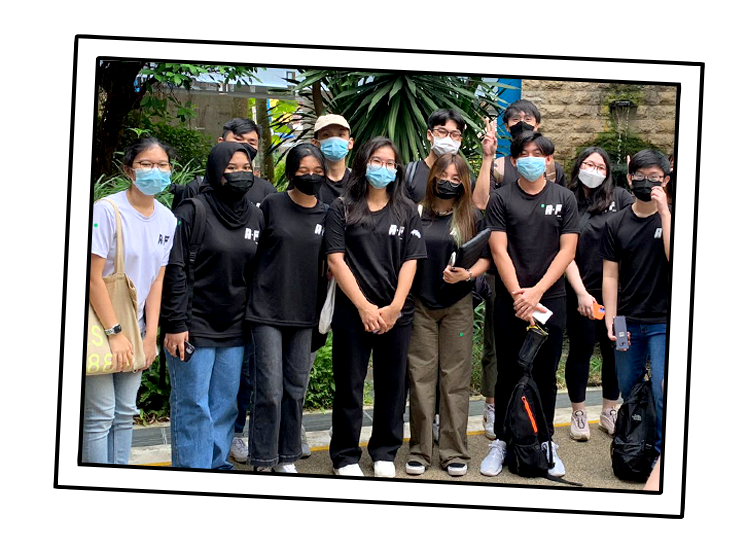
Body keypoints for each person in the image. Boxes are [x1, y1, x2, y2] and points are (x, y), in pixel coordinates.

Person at [325, 136, 427, 478]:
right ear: (364, 162)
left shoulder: (407, 209)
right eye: (377, 161)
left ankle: (384, 451)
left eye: (389, 163)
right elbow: (336, 262)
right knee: (350, 385)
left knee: (392, 384)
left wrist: (395, 306)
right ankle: (344, 455)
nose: (383, 168)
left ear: (397, 169)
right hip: (353, 313)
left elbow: (412, 260)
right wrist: (365, 307)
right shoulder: (342, 207)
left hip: (396, 314)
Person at [480, 131, 579, 478]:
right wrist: (520, 294)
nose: (532, 159)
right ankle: (503, 441)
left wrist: (536, 291)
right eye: (525, 153)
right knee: (507, 371)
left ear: (549, 160)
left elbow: (567, 251)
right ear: (515, 160)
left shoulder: (565, 198)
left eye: (539, 153)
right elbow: (498, 249)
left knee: (545, 374)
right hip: (511, 301)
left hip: (550, 300)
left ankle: (545, 440)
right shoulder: (501, 198)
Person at [161, 141, 265, 470]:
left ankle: (217, 465)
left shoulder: (256, 216)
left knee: (225, 406)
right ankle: (193, 471)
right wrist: (176, 324)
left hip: (234, 329)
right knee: (193, 405)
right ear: (216, 170)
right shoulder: (193, 211)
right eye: (231, 168)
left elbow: (257, 272)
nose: (239, 174)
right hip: (193, 327)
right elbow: (175, 270)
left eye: (246, 168)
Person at [85, 137, 177, 464]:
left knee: (125, 413)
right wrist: (115, 333)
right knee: (99, 416)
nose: (155, 171)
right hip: (100, 326)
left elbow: (157, 280)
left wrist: (150, 335)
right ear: (129, 170)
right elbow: (92, 277)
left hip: (136, 327)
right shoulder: (106, 211)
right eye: (146, 164)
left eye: (162, 165)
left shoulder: (168, 219)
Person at [244, 144, 330, 473]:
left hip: (306, 313)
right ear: (291, 172)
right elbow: (250, 253)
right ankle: (263, 458)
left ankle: (287, 456)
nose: (311, 176)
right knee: (269, 389)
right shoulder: (271, 205)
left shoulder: (327, 212)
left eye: (317, 171)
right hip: (266, 310)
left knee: (295, 389)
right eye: (304, 170)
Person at [405, 153, 491, 477]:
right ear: (432, 176)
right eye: (444, 175)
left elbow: (486, 258)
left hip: (457, 307)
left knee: (454, 379)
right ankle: (420, 450)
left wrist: (466, 276)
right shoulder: (415, 213)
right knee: (421, 378)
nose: (449, 182)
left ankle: (454, 451)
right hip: (420, 305)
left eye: (457, 178)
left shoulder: (471, 215)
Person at [601, 149, 671, 459]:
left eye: (654, 177)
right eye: (639, 177)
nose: (646, 182)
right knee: (629, 389)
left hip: (664, 322)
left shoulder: (673, 218)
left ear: (665, 181)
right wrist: (611, 318)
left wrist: (666, 214)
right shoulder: (615, 223)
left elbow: (676, 259)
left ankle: (661, 455)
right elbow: (610, 276)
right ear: (629, 179)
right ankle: (633, 446)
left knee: (660, 390)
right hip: (627, 321)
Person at [563, 147, 634, 440]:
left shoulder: (620, 198)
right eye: (588, 164)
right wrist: (580, 293)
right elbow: (562, 250)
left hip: (619, 295)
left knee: (616, 351)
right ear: (578, 166)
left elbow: (643, 220)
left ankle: (609, 410)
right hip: (582, 293)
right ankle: (579, 412)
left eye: (600, 166)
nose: (594, 170)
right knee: (580, 350)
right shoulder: (567, 199)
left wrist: (637, 183)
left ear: (609, 172)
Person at [403, 109, 471, 204]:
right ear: (429, 135)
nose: (448, 138)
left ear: (460, 140)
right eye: (442, 131)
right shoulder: (410, 173)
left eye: (454, 134)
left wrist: (487, 158)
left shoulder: (463, 178)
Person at [310, 114, 354, 206]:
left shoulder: (359, 182)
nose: (334, 139)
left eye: (341, 135)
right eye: (326, 135)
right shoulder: (309, 182)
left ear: (350, 143)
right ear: (315, 143)